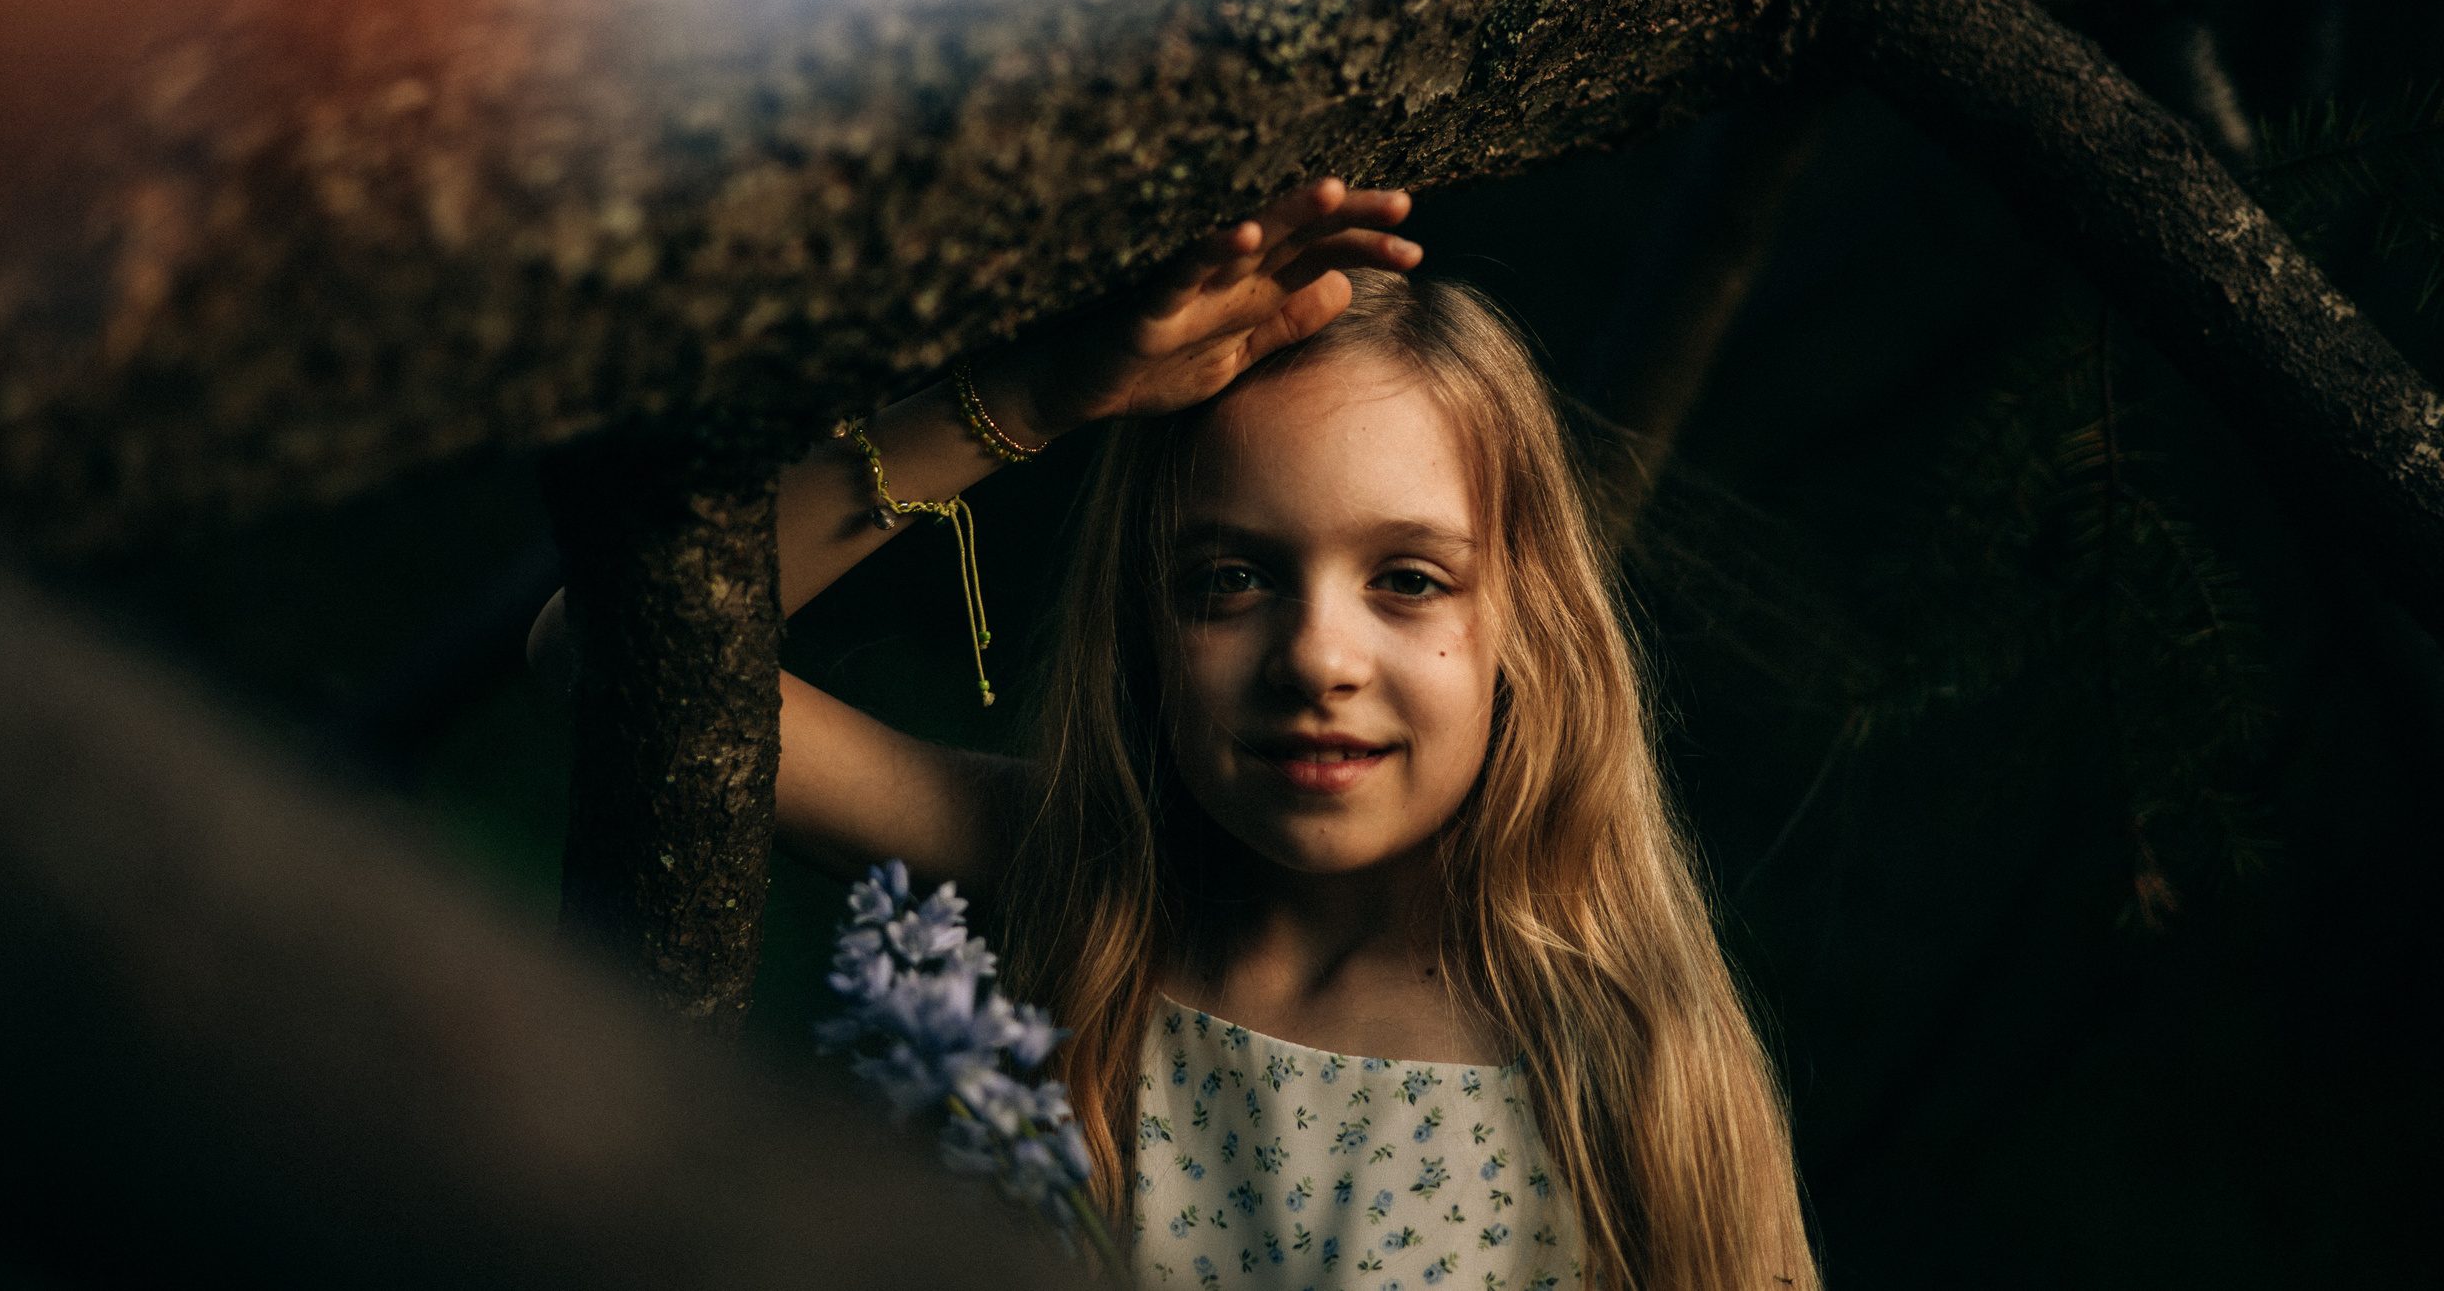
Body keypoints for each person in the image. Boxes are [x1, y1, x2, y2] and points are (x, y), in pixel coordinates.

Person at [542, 180, 1816, 1290]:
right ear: (1143, 625)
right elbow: (610, 650)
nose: (1316, 657)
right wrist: (1029, 398)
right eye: (1230, 579)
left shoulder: (1637, 1068)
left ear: (1528, 631)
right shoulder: (1069, 876)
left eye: (1408, 580)